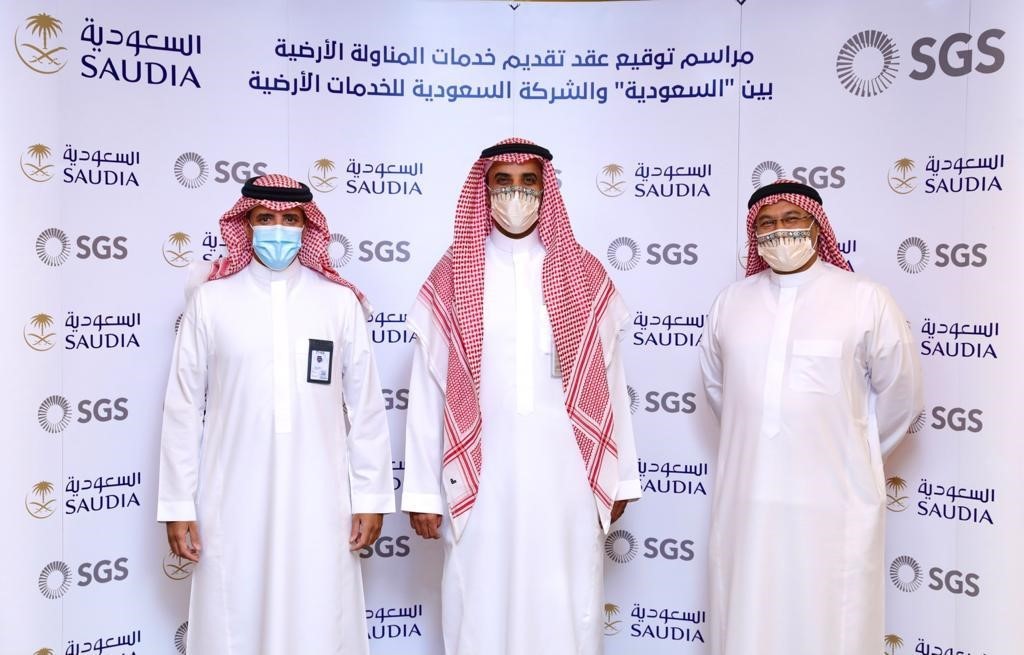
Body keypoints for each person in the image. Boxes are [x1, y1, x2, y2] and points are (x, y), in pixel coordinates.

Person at [401, 138, 641, 654]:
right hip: (482, 479)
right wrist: (422, 492)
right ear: (484, 190)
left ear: (545, 189)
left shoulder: (583, 273)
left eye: (528, 181)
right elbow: (428, 391)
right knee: (479, 602)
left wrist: (621, 476)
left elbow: (610, 383)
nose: (516, 194)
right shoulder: (453, 275)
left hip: (568, 478)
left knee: (566, 603)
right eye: (503, 182)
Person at [157, 173, 394, 654]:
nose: (278, 230)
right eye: (266, 218)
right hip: (232, 497)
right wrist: (178, 505)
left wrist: (370, 496)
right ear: (246, 223)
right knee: (235, 613)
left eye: (290, 219)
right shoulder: (211, 302)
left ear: (308, 226)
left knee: (320, 615)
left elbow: (366, 407)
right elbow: (183, 408)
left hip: (322, 498)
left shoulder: (338, 303)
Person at [698, 179, 923, 654]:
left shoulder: (864, 298)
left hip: (834, 503)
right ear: (754, 233)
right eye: (766, 223)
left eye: (791, 219)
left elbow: (901, 397)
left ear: (817, 226)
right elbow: (722, 392)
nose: (779, 231)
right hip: (748, 500)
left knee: (829, 623)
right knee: (747, 615)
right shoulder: (730, 303)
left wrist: (852, 452)